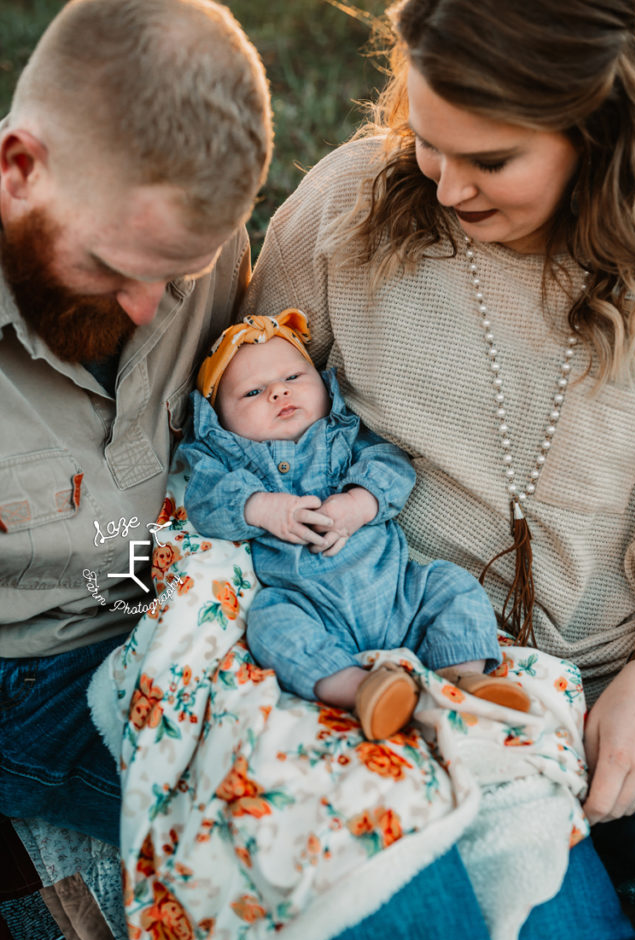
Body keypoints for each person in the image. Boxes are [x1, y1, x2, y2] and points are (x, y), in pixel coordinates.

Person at [239, 0, 635, 940]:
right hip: (439, 689)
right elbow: (249, 414)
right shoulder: (348, 212)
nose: (444, 187)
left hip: (631, 674)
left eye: (488, 161)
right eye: (427, 141)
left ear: (594, 134)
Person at [0, 0, 272, 847]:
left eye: (179, 273)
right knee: (273, 822)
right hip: (28, 673)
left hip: (182, 601)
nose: (151, 309)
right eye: (117, 266)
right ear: (19, 168)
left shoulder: (187, 240)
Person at [179, 307, 530, 740]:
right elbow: (205, 501)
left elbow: (392, 466)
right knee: (269, 623)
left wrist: (358, 504)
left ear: (323, 386)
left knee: (453, 585)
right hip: (310, 607)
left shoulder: (342, 432)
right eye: (252, 392)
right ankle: (364, 689)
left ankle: (463, 677)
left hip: (401, 595)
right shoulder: (228, 460)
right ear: (219, 423)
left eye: (292, 378)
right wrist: (263, 507)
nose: (277, 393)